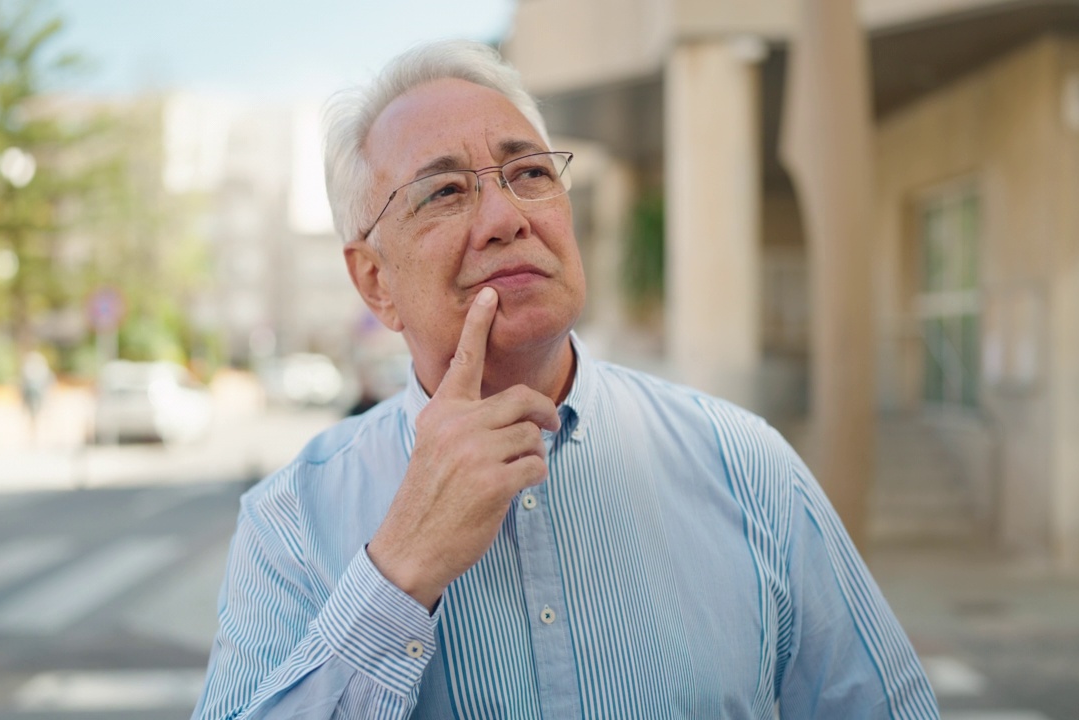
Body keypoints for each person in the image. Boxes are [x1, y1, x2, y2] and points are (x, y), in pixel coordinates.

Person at [194, 40, 938, 719]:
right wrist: (400, 570)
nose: (505, 217)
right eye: (446, 192)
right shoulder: (290, 523)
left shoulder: (746, 466)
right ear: (374, 280)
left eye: (529, 173)